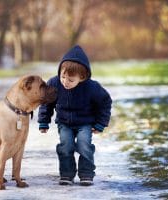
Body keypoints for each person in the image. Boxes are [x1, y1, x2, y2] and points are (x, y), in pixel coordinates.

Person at [38, 45, 112, 186]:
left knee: (84, 145)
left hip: (85, 123)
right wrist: (44, 121)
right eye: (63, 76)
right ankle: (67, 174)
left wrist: (100, 123)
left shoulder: (92, 87)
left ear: (82, 77)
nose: (65, 82)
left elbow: (105, 102)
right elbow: (46, 103)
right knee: (66, 146)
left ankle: (86, 174)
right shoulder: (54, 84)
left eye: (71, 80)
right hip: (64, 123)